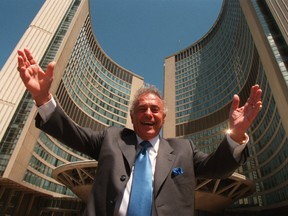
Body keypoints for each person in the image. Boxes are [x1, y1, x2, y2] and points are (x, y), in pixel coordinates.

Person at [17, 48, 262, 216]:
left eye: (155, 109)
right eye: (142, 109)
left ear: (163, 118)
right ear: (132, 117)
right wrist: (43, 98)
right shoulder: (111, 138)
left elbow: (218, 167)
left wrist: (236, 134)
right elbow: (72, 133)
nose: (148, 113)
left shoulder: (183, 150)